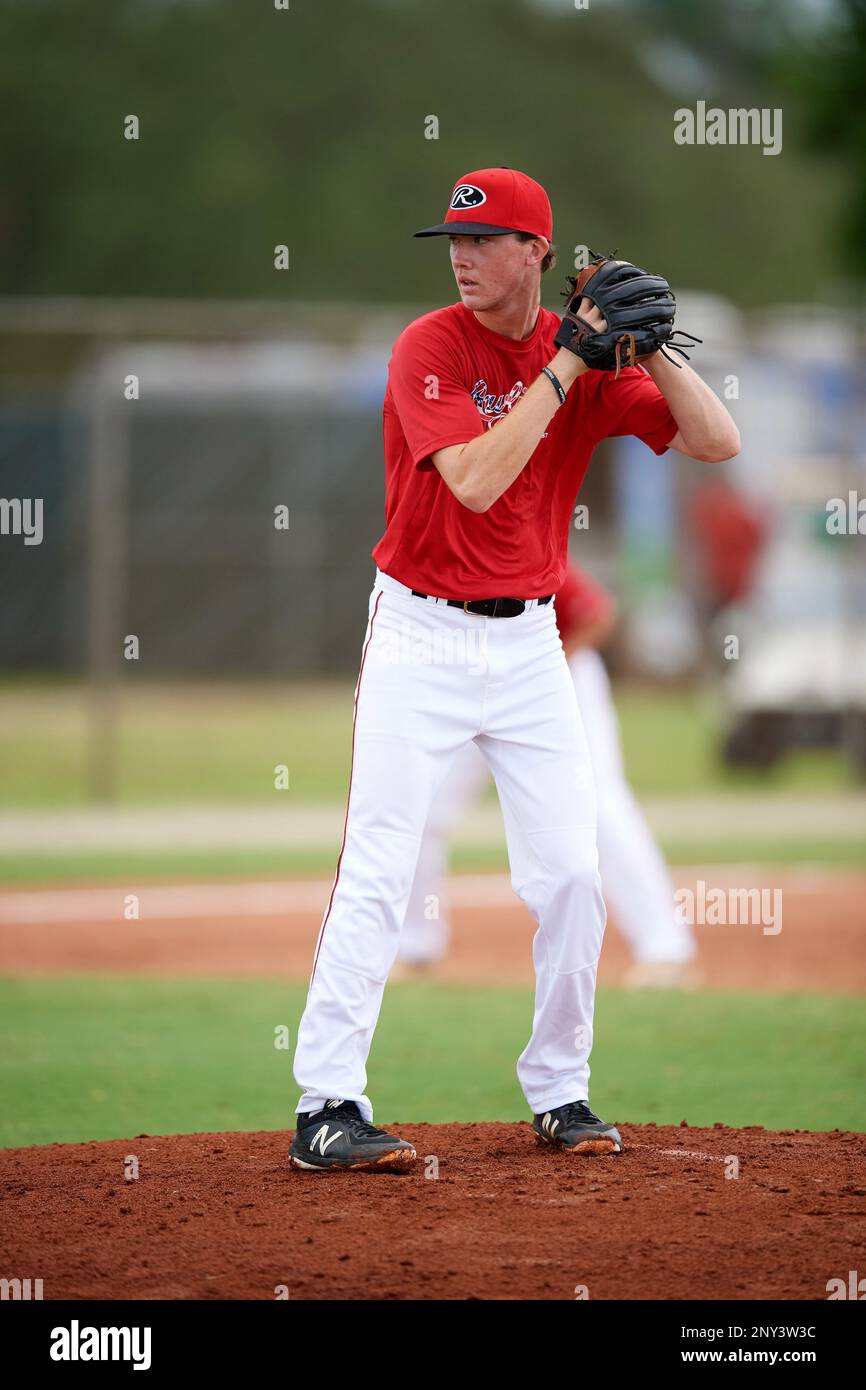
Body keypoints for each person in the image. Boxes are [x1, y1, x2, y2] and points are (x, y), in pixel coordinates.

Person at [289, 166, 739, 1173]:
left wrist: (650, 350)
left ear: (536, 251)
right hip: (419, 633)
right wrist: (569, 365)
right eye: (451, 237)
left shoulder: (568, 353)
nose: (460, 253)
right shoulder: (428, 347)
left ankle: (559, 1091)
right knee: (381, 864)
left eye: (484, 238)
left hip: (532, 641)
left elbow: (716, 440)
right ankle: (327, 1104)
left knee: (572, 871)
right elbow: (479, 481)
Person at [395, 560, 700, 987]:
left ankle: (666, 948)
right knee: (424, 808)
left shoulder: (511, 546)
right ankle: (416, 946)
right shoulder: (444, 554)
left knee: (600, 804)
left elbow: (598, 612)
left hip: (552, 679)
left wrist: (553, 663)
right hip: (469, 681)